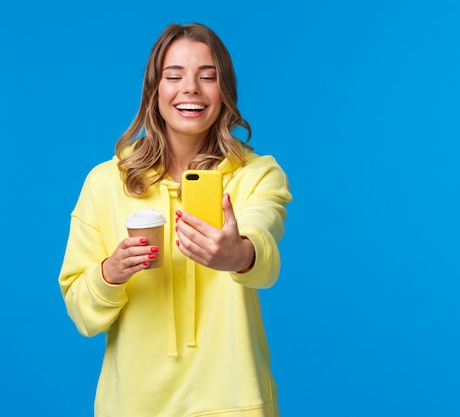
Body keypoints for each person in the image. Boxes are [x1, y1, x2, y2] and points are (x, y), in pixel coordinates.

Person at [58, 22, 292, 417]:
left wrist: (239, 254)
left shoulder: (257, 174)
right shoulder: (104, 182)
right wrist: (110, 273)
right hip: (131, 406)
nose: (191, 89)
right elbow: (82, 314)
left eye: (208, 76)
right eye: (174, 76)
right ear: (155, 90)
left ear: (225, 91)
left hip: (235, 405)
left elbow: (262, 250)